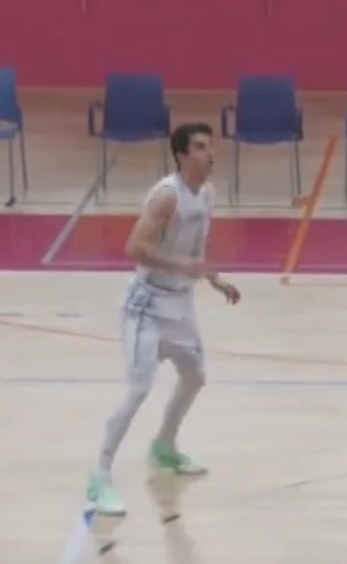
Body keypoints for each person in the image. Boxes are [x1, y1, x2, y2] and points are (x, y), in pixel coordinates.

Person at [86, 123, 242, 518]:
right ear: (182, 155)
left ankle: (164, 445)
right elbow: (135, 247)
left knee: (195, 376)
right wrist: (182, 266)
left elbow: (196, 249)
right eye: (201, 147)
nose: (210, 154)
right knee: (139, 389)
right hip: (147, 304)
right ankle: (100, 476)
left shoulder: (207, 194)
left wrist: (214, 278)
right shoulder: (166, 196)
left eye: (210, 146)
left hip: (180, 304)